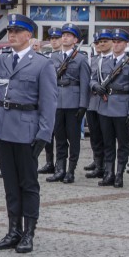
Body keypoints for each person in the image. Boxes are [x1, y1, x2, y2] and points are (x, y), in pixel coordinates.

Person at [0, 13, 56, 253]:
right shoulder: (1, 58)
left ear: (29, 35)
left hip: (28, 129)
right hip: (4, 127)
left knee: (28, 184)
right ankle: (13, 231)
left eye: (17, 32)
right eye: (10, 31)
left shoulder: (42, 63)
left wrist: (44, 135)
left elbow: (49, 103)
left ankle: (28, 233)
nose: (12, 35)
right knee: (10, 184)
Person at [90, 28, 129, 188]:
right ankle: (109, 173)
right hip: (104, 107)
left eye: (120, 42)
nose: (117, 44)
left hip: (121, 108)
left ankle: (119, 174)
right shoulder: (103, 61)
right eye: (115, 41)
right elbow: (92, 79)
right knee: (108, 143)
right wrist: (96, 86)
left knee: (123, 144)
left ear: (126, 44)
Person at [46, 23, 89, 184]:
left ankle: (71, 170)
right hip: (57, 102)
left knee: (74, 139)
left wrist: (83, 105)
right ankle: (60, 169)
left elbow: (85, 84)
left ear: (75, 39)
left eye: (69, 35)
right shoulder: (54, 57)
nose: (64, 37)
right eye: (63, 34)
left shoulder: (80, 58)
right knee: (60, 138)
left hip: (73, 102)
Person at [84, 31, 111, 179]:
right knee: (95, 135)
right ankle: (98, 162)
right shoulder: (92, 60)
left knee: (106, 136)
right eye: (97, 43)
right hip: (92, 102)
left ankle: (107, 165)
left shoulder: (110, 60)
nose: (99, 45)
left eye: (102, 42)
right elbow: (87, 79)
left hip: (105, 102)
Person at [37, 27, 63, 175]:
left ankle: (60, 165)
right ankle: (49, 162)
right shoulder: (46, 56)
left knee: (60, 136)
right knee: (47, 134)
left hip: (61, 99)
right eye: (52, 38)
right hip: (46, 100)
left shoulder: (67, 56)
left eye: (57, 38)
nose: (54, 41)